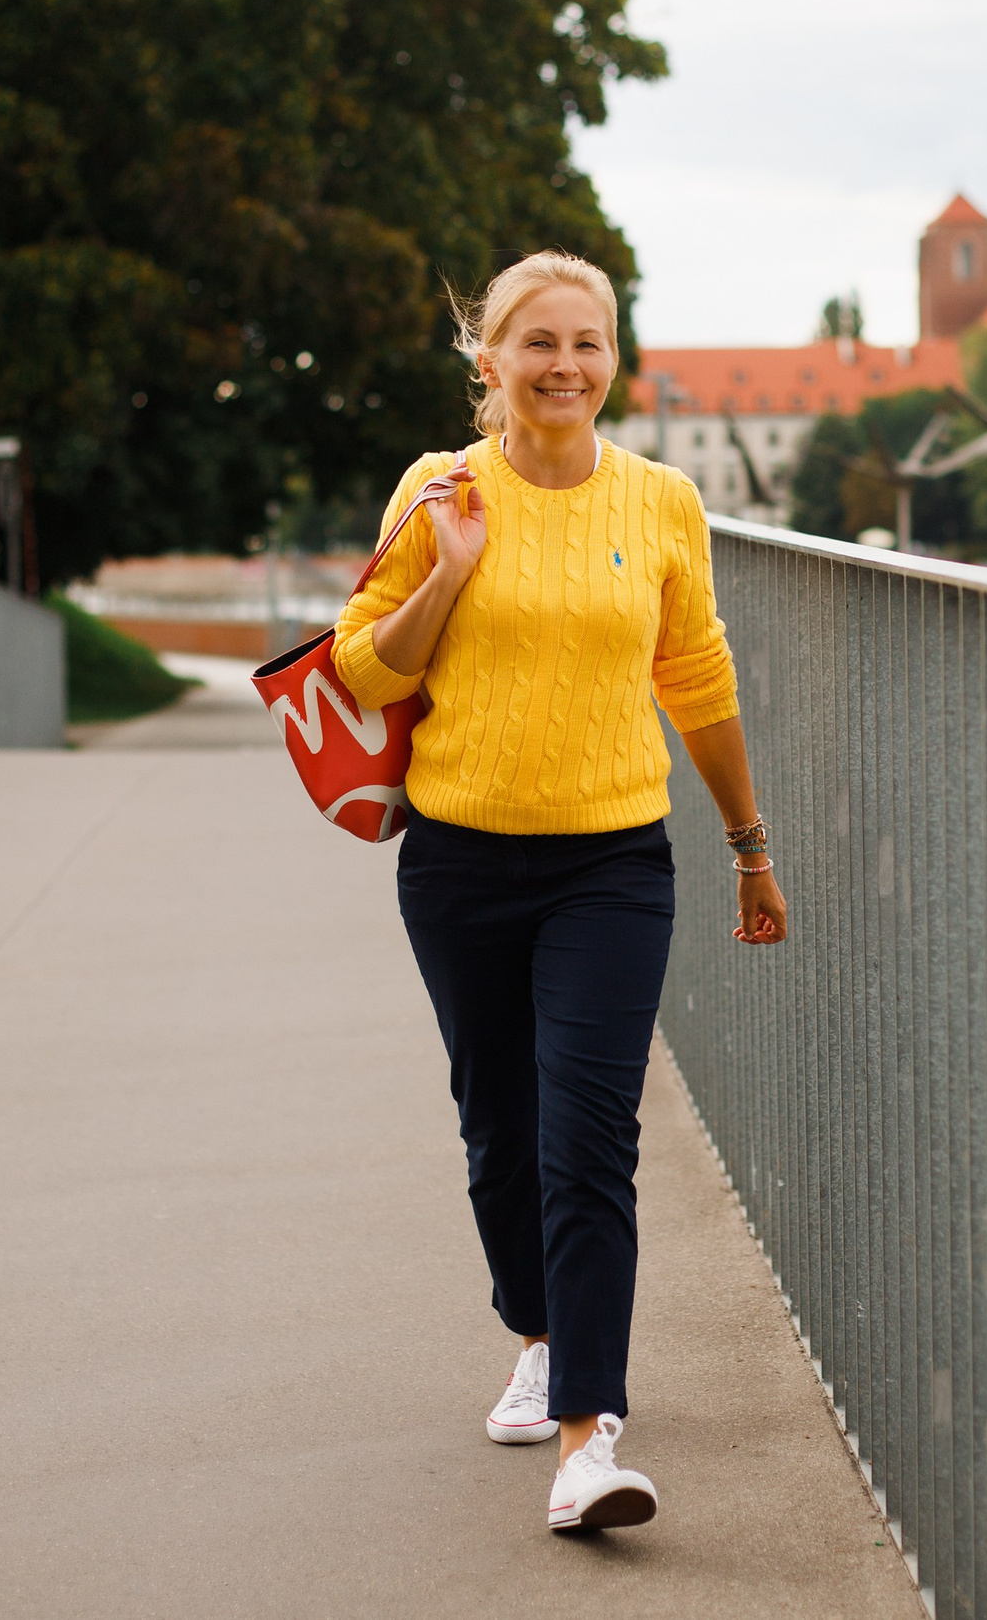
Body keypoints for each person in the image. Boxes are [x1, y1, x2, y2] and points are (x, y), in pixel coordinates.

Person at [333, 250, 788, 1533]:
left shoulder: (662, 501)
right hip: (460, 862)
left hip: (611, 863)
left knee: (589, 1138)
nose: (566, 365)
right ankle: (536, 1336)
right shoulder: (437, 488)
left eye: (588, 342)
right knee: (500, 1130)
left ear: (613, 358)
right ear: (489, 360)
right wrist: (446, 569)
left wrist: (748, 844)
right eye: (539, 342)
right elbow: (366, 668)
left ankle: (590, 1435)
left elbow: (696, 678)